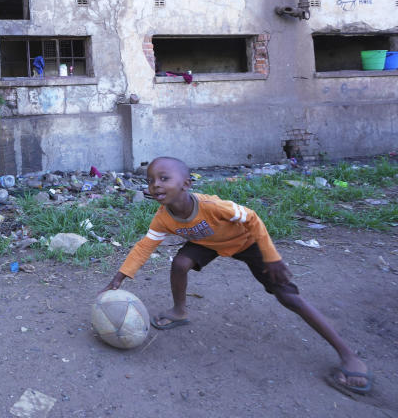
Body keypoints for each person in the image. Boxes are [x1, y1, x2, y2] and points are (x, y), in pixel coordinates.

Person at [101, 156, 371, 397]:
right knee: (180, 263)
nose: (155, 185)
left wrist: (272, 257)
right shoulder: (163, 217)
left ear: (185, 183)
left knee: (288, 297)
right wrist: (121, 276)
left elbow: (253, 219)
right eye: (150, 181)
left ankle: (348, 355)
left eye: (164, 178)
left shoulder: (213, 207)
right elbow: (145, 245)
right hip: (210, 242)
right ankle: (179, 311)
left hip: (247, 242)